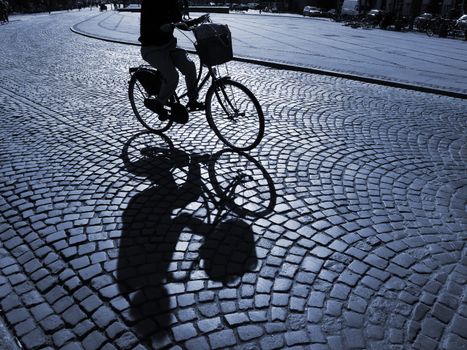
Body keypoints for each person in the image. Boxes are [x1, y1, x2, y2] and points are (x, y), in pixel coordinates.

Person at [139, 0, 205, 121]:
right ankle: (158, 103)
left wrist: (196, 22)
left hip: (169, 46)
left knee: (190, 67)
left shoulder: (172, 2)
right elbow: (147, 24)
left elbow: (179, 21)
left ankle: (193, 100)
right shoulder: (149, 3)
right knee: (172, 76)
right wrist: (160, 28)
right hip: (152, 48)